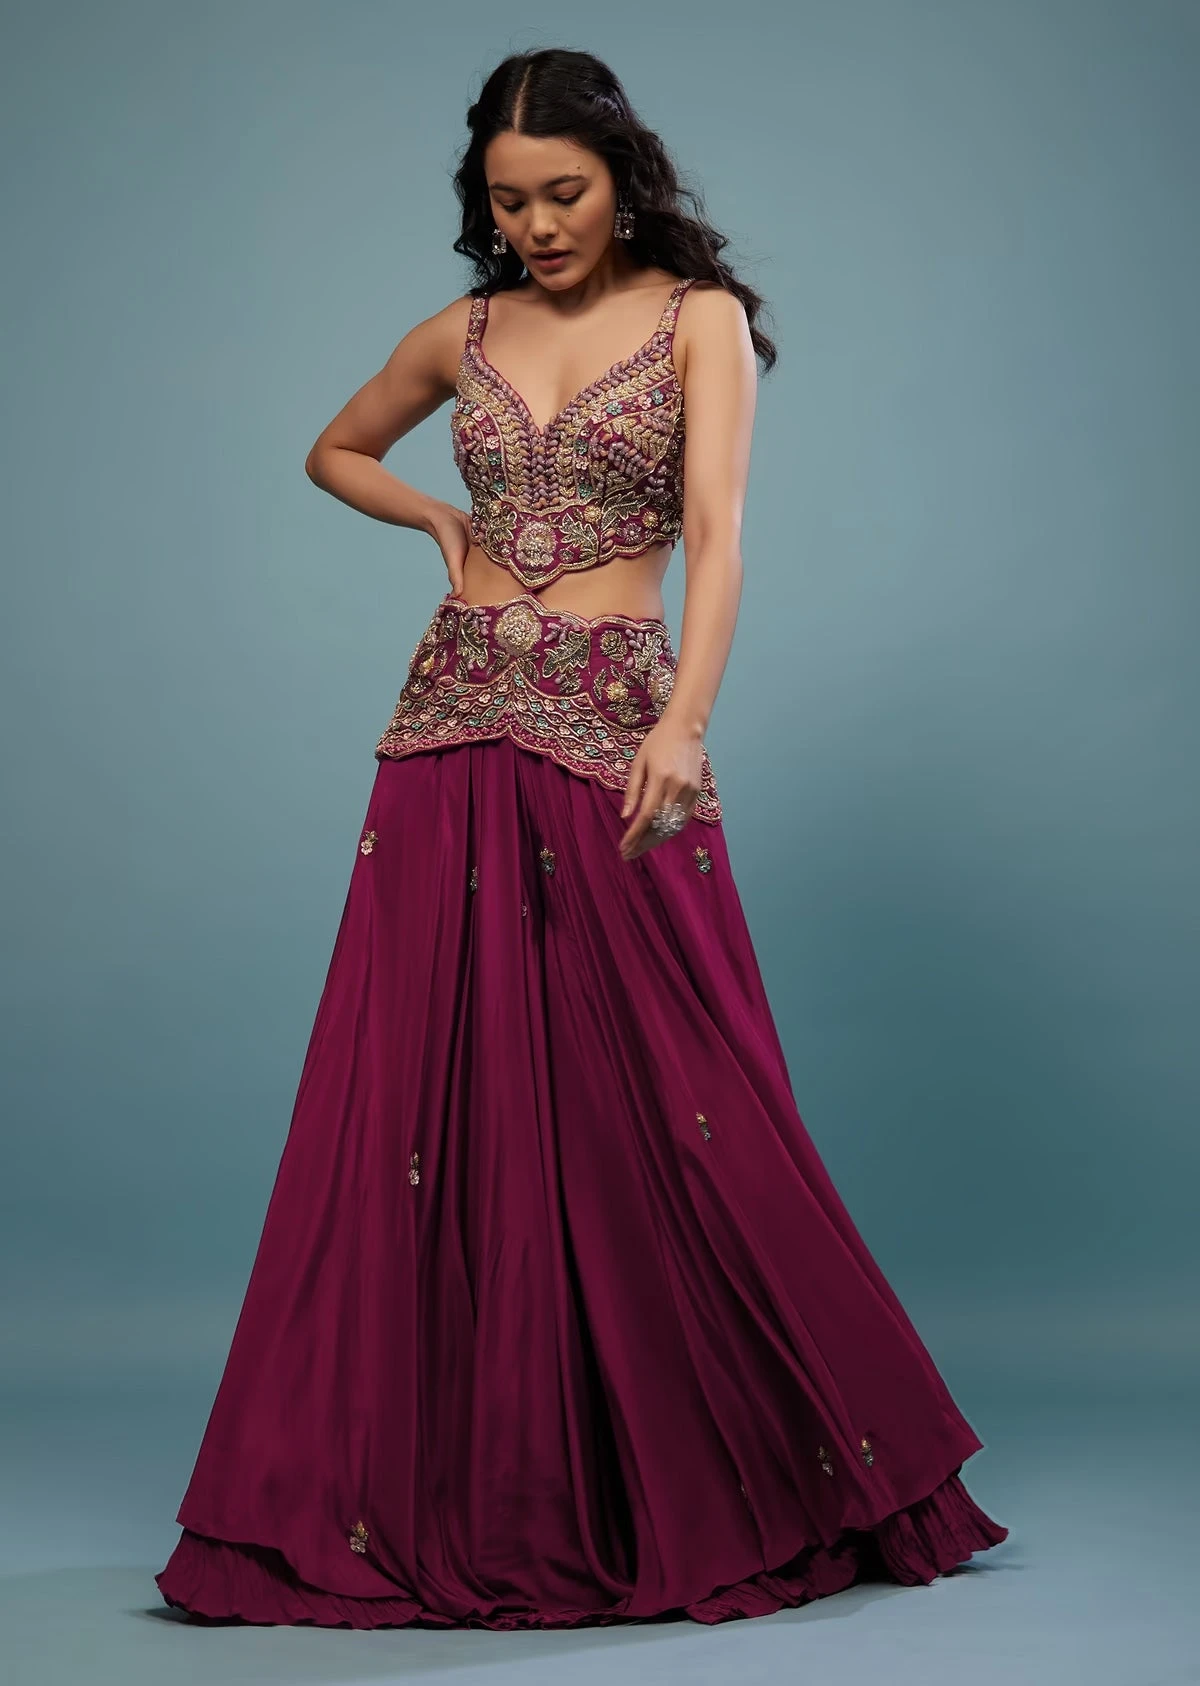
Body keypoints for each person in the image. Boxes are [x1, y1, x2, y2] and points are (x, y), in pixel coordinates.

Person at [155, 46, 1008, 1630]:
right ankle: (463, 1485)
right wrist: (436, 517)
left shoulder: (698, 321)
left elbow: (721, 535)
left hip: (615, 723)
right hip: (448, 728)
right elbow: (334, 446)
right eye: (509, 201)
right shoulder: (463, 333)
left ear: (625, 177)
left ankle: (731, 1463)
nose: (538, 226)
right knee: (434, 1104)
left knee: (676, 1095)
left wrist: (685, 719)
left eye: (563, 193)